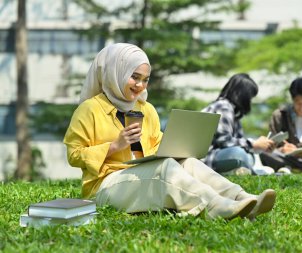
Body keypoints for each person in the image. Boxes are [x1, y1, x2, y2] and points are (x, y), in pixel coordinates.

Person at [63, 43, 276, 221]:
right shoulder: (89, 109)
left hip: (142, 173)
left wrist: (179, 148)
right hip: (104, 185)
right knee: (165, 168)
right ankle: (214, 206)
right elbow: (74, 155)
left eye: (145, 79)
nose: (139, 85)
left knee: (189, 163)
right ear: (115, 73)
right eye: (134, 77)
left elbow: (157, 147)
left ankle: (242, 198)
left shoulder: (146, 109)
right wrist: (114, 146)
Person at [201, 73, 276, 175]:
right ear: (243, 95)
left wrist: (258, 147)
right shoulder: (224, 106)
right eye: (250, 97)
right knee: (240, 154)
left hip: (220, 154)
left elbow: (239, 141)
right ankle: (239, 170)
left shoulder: (233, 113)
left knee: (248, 155)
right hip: (208, 157)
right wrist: (253, 144)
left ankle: (238, 170)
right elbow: (224, 141)